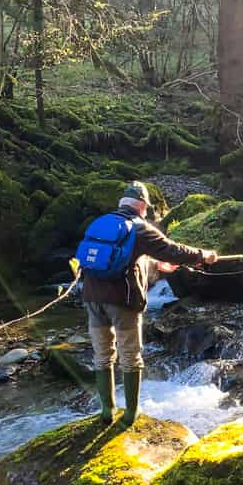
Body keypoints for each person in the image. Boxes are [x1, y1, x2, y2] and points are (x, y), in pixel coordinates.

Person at [81, 182, 218, 425]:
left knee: (102, 356)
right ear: (142, 206)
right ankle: (132, 414)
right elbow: (172, 250)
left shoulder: (102, 223)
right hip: (122, 302)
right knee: (131, 356)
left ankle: (106, 411)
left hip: (92, 297)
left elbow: (121, 256)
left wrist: (156, 266)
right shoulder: (140, 227)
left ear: (122, 202)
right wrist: (202, 255)